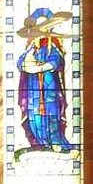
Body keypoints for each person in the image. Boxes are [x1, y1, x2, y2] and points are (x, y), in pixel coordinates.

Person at [16, 8, 72, 150]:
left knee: (51, 112)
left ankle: (55, 142)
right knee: (34, 115)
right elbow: (21, 62)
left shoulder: (51, 45)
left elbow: (56, 61)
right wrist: (27, 65)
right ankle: (40, 143)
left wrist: (40, 67)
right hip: (33, 86)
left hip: (49, 85)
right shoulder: (31, 46)